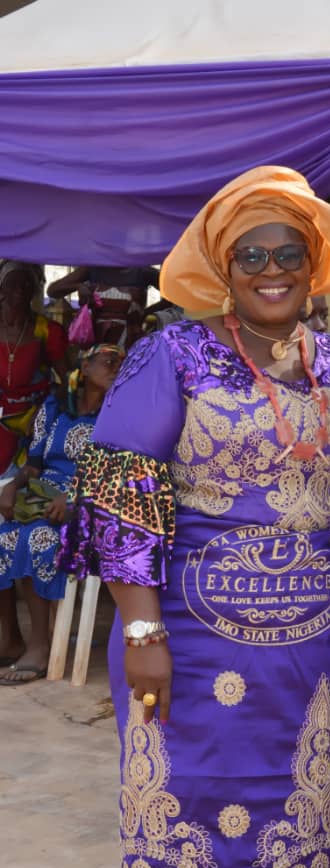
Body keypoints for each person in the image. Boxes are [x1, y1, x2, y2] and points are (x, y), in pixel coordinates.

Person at [58, 166, 330, 868]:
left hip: (315, 641)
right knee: (194, 792)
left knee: (304, 795)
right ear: (222, 266)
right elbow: (123, 491)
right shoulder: (173, 355)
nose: (271, 269)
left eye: (289, 253)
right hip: (194, 635)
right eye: (252, 255)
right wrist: (140, 630)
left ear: (314, 266)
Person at [0, 343, 122, 682]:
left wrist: (76, 498)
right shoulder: (54, 408)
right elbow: (34, 466)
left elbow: (122, 473)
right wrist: (12, 486)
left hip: (96, 502)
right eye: (109, 361)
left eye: (121, 363)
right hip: (44, 496)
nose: (116, 367)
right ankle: (10, 639)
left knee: (39, 538)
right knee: (5, 537)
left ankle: (39, 648)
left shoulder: (119, 413)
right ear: (83, 368)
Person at [0, 261, 68, 476]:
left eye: (26, 284)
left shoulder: (47, 331)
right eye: (13, 284)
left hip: (30, 421)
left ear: (34, 290)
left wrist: (46, 407)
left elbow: (70, 380)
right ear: (2, 288)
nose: (19, 290)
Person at [48, 265, 160, 349]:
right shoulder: (93, 268)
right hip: (96, 343)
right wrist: (78, 286)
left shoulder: (142, 270)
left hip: (131, 342)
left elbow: (173, 293)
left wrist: (145, 313)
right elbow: (53, 291)